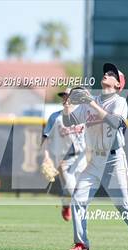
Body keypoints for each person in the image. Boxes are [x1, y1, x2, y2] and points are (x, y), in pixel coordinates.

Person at [65, 63, 128, 250]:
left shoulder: (118, 101)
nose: (107, 74)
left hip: (114, 160)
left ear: (117, 84)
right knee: (78, 200)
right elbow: (68, 120)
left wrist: (91, 103)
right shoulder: (92, 100)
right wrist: (67, 104)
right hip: (94, 160)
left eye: (112, 74)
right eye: (106, 72)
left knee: (124, 205)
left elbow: (115, 122)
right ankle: (81, 243)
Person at [42, 88, 87, 221]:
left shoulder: (84, 116)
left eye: (69, 96)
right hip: (63, 160)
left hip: (81, 158)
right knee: (71, 190)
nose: (65, 99)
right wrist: (46, 158)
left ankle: (68, 207)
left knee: (80, 191)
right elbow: (45, 139)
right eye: (64, 96)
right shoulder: (55, 117)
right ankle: (67, 207)